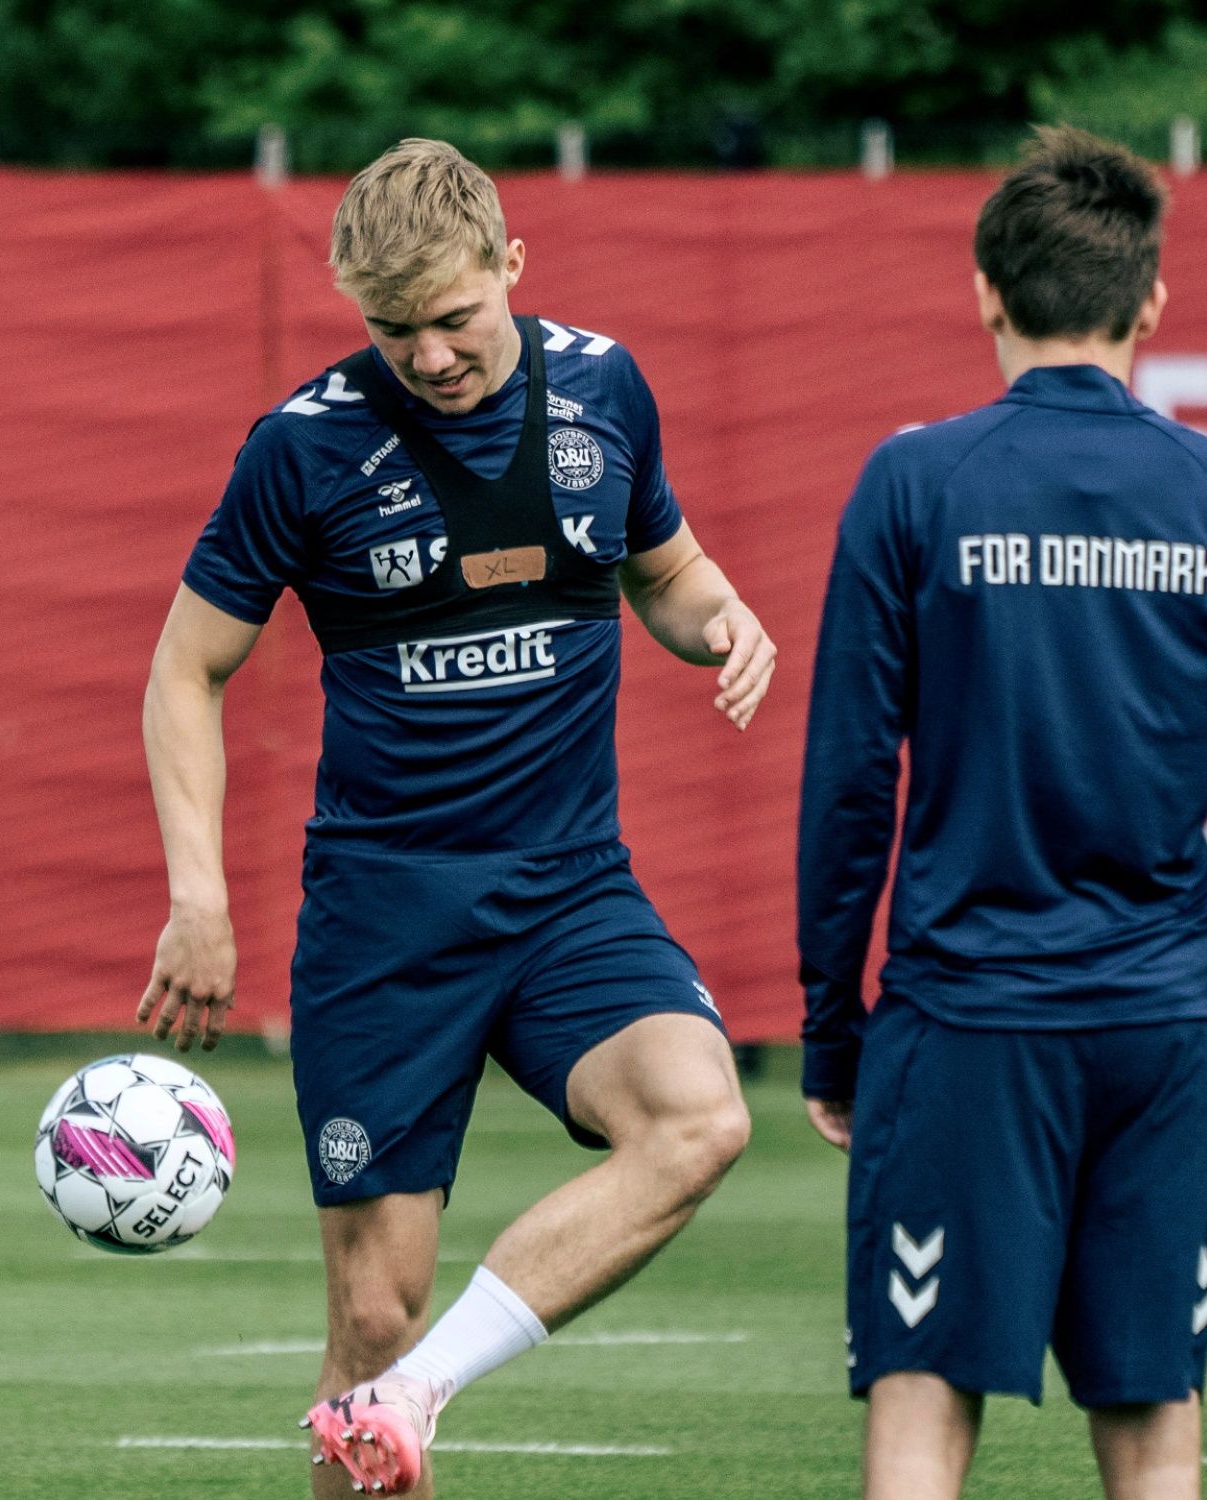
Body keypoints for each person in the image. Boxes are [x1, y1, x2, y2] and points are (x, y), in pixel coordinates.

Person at [139, 138, 775, 1497]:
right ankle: (394, 1381)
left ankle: (420, 1391)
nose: (428, 356)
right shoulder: (302, 449)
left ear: (512, 268)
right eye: (392, 328)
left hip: (567, 894)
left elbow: (663, 569)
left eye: (453, 318)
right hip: (386, 918)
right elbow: (184, 671)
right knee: (372, 1319)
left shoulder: (604, 388)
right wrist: (199, 893)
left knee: (699, 1119)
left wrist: (717, 615)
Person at [796, 125, 1207, 1500]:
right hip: (1161, 1030)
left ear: (986, 290)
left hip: (965, 1019)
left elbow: (851, 779)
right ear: (1152, 302)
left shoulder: (913, 484)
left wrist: (831, 1027)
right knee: (1154, 1420)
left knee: (922, 1406)